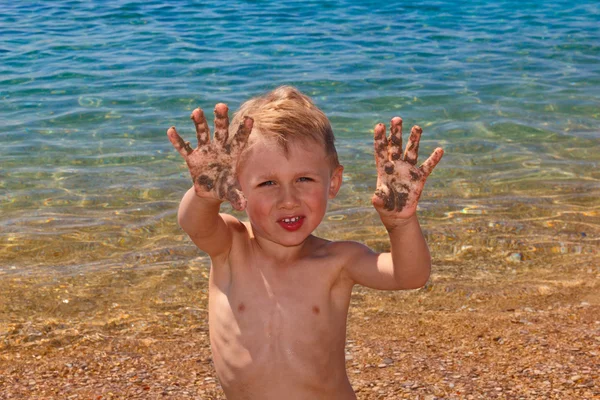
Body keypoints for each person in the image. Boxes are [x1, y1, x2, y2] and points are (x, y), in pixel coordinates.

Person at [167, 86, 444, 400]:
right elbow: (194, 224)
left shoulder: (338, 260)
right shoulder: (232, 246)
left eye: (304, 179)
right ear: (235, 186)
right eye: (268, 183)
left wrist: (401, 223)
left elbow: (410, 275)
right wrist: (204, 193)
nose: (289, 200)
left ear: (333, 183)